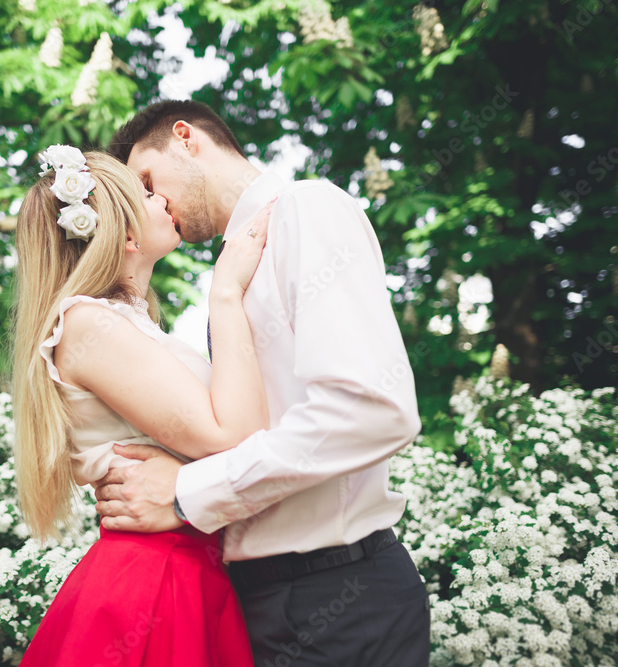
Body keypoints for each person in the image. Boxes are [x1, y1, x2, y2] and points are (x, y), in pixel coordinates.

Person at [96, 100, 431, 666]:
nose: (148, 207)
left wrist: (187, 494)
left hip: (339, 597)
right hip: (256, 602)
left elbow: (371, 409)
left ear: (185, 138)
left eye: (148, 181)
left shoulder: (307, 210)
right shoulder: (233, 270)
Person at [10, 146, 275, 666]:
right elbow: (237, 439)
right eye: (149, 194)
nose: (165, 199)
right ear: (127, 234)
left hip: (183, 569)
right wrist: (224, 293)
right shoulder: (88, 323)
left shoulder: (125, 325)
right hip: (155, 582)